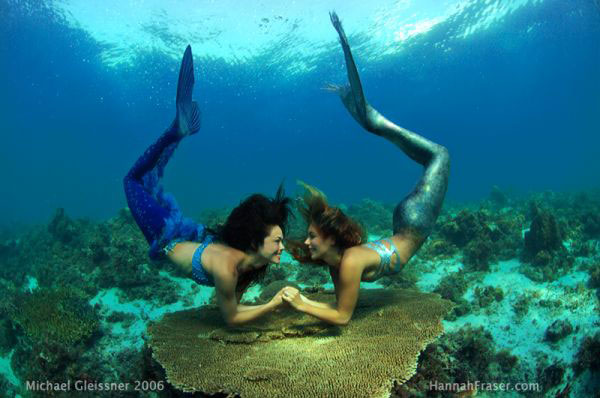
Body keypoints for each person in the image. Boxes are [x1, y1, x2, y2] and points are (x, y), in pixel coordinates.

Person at [282, 12, 450, 325]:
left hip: (412, 224)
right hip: (407, 223)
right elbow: (343, 303)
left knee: (440, 155)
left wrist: (301, 302)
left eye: (312, 237)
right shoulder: (340, 262)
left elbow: (342, 316)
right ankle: (369, 119)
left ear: (332, 240)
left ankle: (371, 118)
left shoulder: (349, 261)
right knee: (435, 157)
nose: (307, 243)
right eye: (310, 237)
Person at [123, 45, 292, 326]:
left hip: (190, 234)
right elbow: (232, 318)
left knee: (149, 181)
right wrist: (273, 304)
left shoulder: (249, 261)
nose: (282, 247)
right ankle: (173, 133)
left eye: (281, 240)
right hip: (165, 235)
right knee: (132, 180)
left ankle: (177, 132)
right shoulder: (228, 267)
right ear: (254, 242)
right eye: (277, 241)